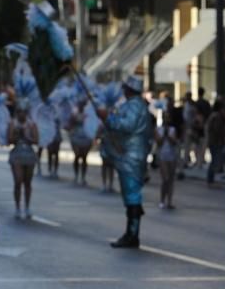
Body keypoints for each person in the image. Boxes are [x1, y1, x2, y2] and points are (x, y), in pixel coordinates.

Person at [99, 76, 152, 248]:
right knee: (130, 195)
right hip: (129, 155)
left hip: (131, 156)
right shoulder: (135, 105)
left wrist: (108, 118)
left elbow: (126, 125)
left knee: (132, 194)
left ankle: (132, 234)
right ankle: (131, 232)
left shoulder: (135, 106)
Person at [8, 100, 39, 219]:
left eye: (24, 112)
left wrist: (27, 137)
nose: (22, 114)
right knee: (18, 181)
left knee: (27, 182)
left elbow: (36, 140)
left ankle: (27, 206)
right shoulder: (13, 123)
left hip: (29, 154)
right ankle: (17, 207)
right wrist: (17, 135)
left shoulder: (31, 124)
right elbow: (9, 140)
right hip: (17, 154)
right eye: (19, 112)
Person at [155, 110, 179, 209]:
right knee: (165, 178)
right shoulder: (158, 129)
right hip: (162, 156)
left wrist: (168, 135)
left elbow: (174, 142)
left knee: (171, 179)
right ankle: (162, 200)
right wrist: (164, 134)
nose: (166, 119)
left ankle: (169, 201)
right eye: (165, 117)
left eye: (168, 117)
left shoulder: (173, 129)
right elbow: (158, 142)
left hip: (172, 156)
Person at [68, 100, 94, 186]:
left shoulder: (88, 114)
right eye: (80, 104)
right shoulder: (74, 113)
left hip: (86, 136)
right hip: (76, 136)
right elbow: (70, 124)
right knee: (77, 155)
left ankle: (83, 177)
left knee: (84, 157)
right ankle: (76, 175)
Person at [205, 100, 225, 186]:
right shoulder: (217, 116)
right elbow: (217, 130)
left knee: (214, 160)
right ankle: (210, 180)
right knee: (214, 161)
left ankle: (211, 180)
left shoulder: (214, 116)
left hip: (213, 141)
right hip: (215, 142)